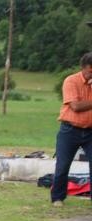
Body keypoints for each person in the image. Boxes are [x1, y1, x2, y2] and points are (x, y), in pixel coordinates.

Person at [51, 52, 92, 207]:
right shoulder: (71, 81)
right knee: (62, 165)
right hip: (70, 130)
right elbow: (75, 106)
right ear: (83, 68)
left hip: (90, 131)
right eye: (90, 72)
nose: (91, 76)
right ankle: (57, 198)